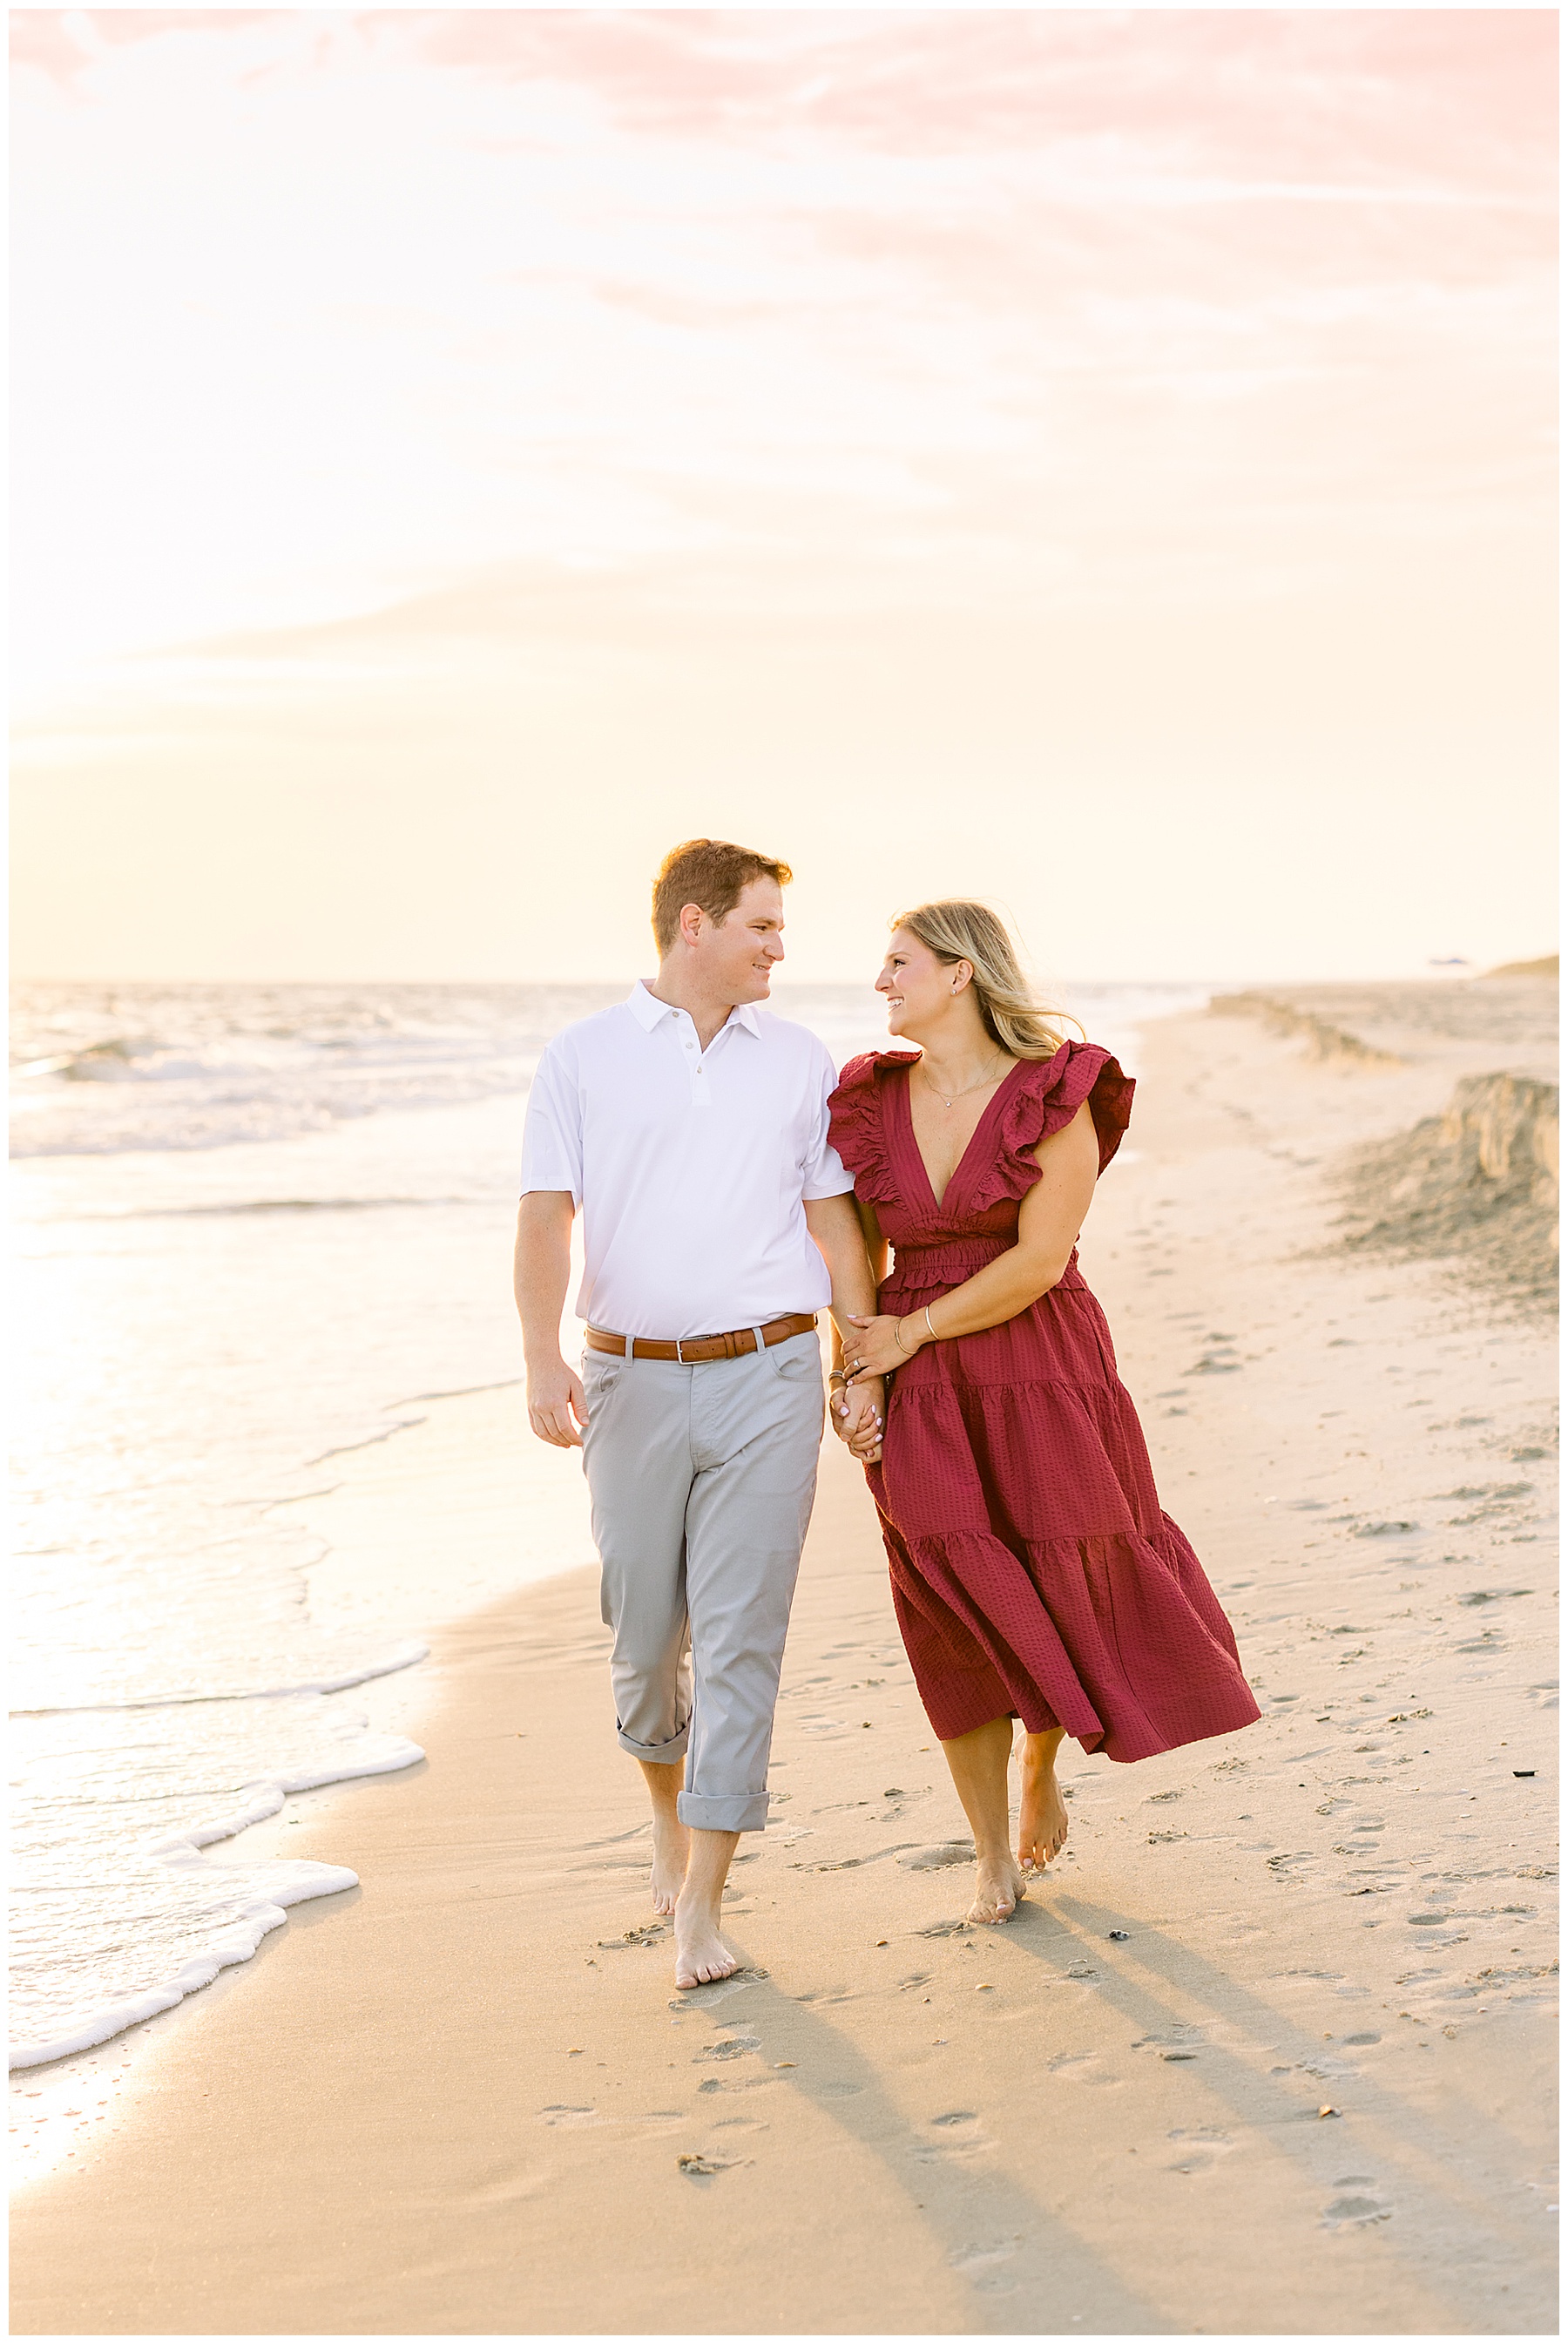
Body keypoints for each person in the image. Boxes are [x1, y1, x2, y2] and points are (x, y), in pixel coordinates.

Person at [828, 900, 1260, 1927]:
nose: (881, 983)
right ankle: (988, 1852)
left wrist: (911, 1331)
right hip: (911, 1367)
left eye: (898, 963)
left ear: (961, 974)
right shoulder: (860, 1099)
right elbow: (845, 1253)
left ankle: (1041, 1754)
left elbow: (1041, 1257)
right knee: (942, 1589)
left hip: (1036, 1354)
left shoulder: (1052, 1091)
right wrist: (852, 1369)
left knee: (1054, 1558)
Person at [513, 839, 884, 1991]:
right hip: (627, 1377)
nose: (781, 946)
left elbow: (835, 1226)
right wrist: (540, 1359)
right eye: (763, 926)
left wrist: (855, 1359)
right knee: (644, 1640)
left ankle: (705, 1908)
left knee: (740, 1640)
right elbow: (542, 1221)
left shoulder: (797, 1060)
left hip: (770, 1376)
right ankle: (668, 1824)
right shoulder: (582, 1059)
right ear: (692, 926)